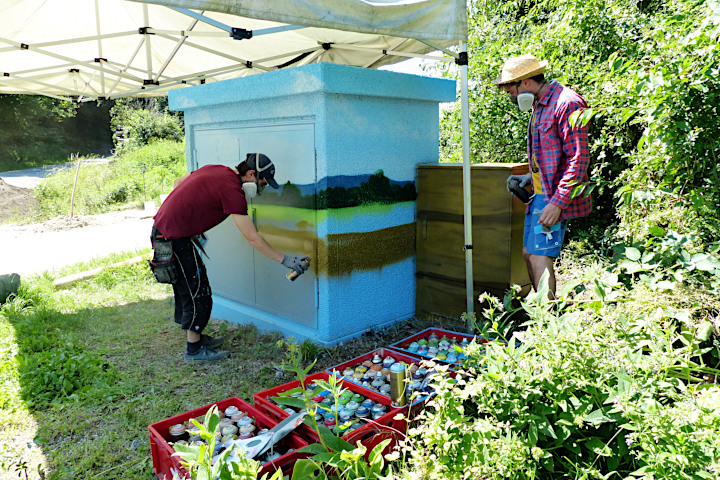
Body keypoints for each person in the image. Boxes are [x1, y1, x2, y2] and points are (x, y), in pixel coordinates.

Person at [149, 153, 311, 362]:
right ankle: (194, 350)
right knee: (197, 291)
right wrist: (285, 260)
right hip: (172, 238)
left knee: (195, 285)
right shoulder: (233, 190)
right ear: (251, 174)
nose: (261, 188)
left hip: (170, 233)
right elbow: (252, 238)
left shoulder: (219, 170)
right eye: (261, 183)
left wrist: (186, 215)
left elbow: (178, 182)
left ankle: (197, 339)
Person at [494, 54, 592, 296]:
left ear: (525, 82)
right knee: (529, 253)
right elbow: (549, 153)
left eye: (511, 90)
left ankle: (546, 323)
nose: (512, 96)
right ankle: (541, 312)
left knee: (539, 257)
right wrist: (531, 175)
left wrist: (558, 204)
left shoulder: (567, 104)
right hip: (540, 193)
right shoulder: (539, 105)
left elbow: (578, 159)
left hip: (553, 197)